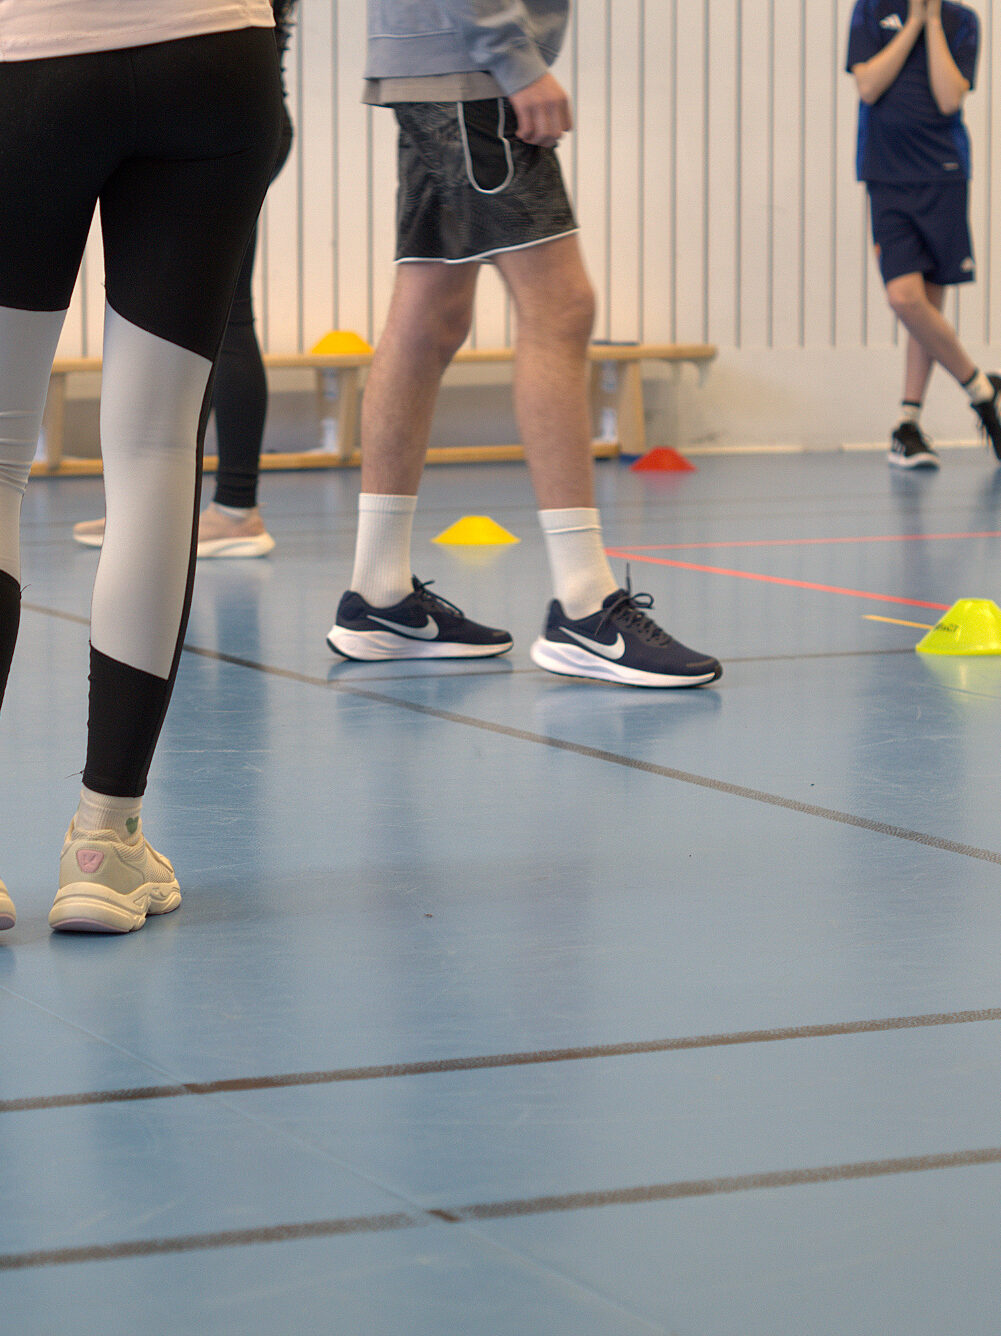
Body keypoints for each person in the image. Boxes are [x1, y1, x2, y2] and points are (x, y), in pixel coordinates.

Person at [325, 0, 722, 689]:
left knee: (430, 317)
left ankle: (378, 595)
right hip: (470, 66)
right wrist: (512, 54)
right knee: (561, 306)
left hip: (435, 62)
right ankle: (583, 604)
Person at [0, 1, 283, 932]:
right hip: (209, 51)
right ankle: (103, 843)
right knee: (156, 451)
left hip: (25, 59)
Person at [71, 0, 299, 560]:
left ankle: (236, 509)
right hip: (228, 106)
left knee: (223, 316)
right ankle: (176, 507)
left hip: (217, 113)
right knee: (201, 315)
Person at [847, 0, 1001, 470]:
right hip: (887, 175)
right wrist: (912, 22)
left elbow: (950, 97)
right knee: (904, 298)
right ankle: (982, 391)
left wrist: (931, 20)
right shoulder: (870, 11)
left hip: (943, 175)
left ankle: (908, 423)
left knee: (926, 308)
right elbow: (869, 86)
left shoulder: (961, 21)